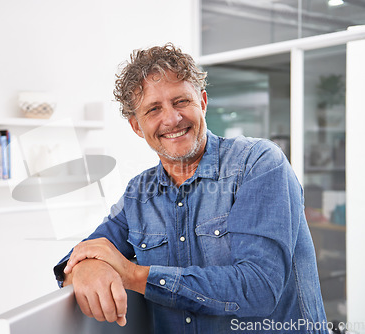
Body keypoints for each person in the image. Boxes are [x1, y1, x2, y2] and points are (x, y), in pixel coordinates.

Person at [53, 43, 327, 333]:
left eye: (181, 101)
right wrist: (86, 265)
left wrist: (134, 275)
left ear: (203, 102)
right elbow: (80, 255)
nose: (171, 119)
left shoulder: (258, 163)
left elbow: (259, 287)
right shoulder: (139, 193)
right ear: (137, 126)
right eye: (153, 109)